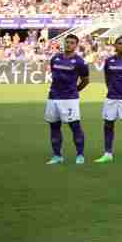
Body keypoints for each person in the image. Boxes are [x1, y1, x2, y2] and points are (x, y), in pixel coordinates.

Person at [45, 33, 89, 165]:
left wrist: (76, 90)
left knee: (75, 126)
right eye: (67, 42)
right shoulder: (55, 58)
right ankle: (57, 155)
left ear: (76, 45)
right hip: (53, 97)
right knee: (54, 126)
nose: (68, 44)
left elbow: (86, 80)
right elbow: (54, 75)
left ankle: (80, 154)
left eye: (71, 43)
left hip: (69, 99)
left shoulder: (80, 62)